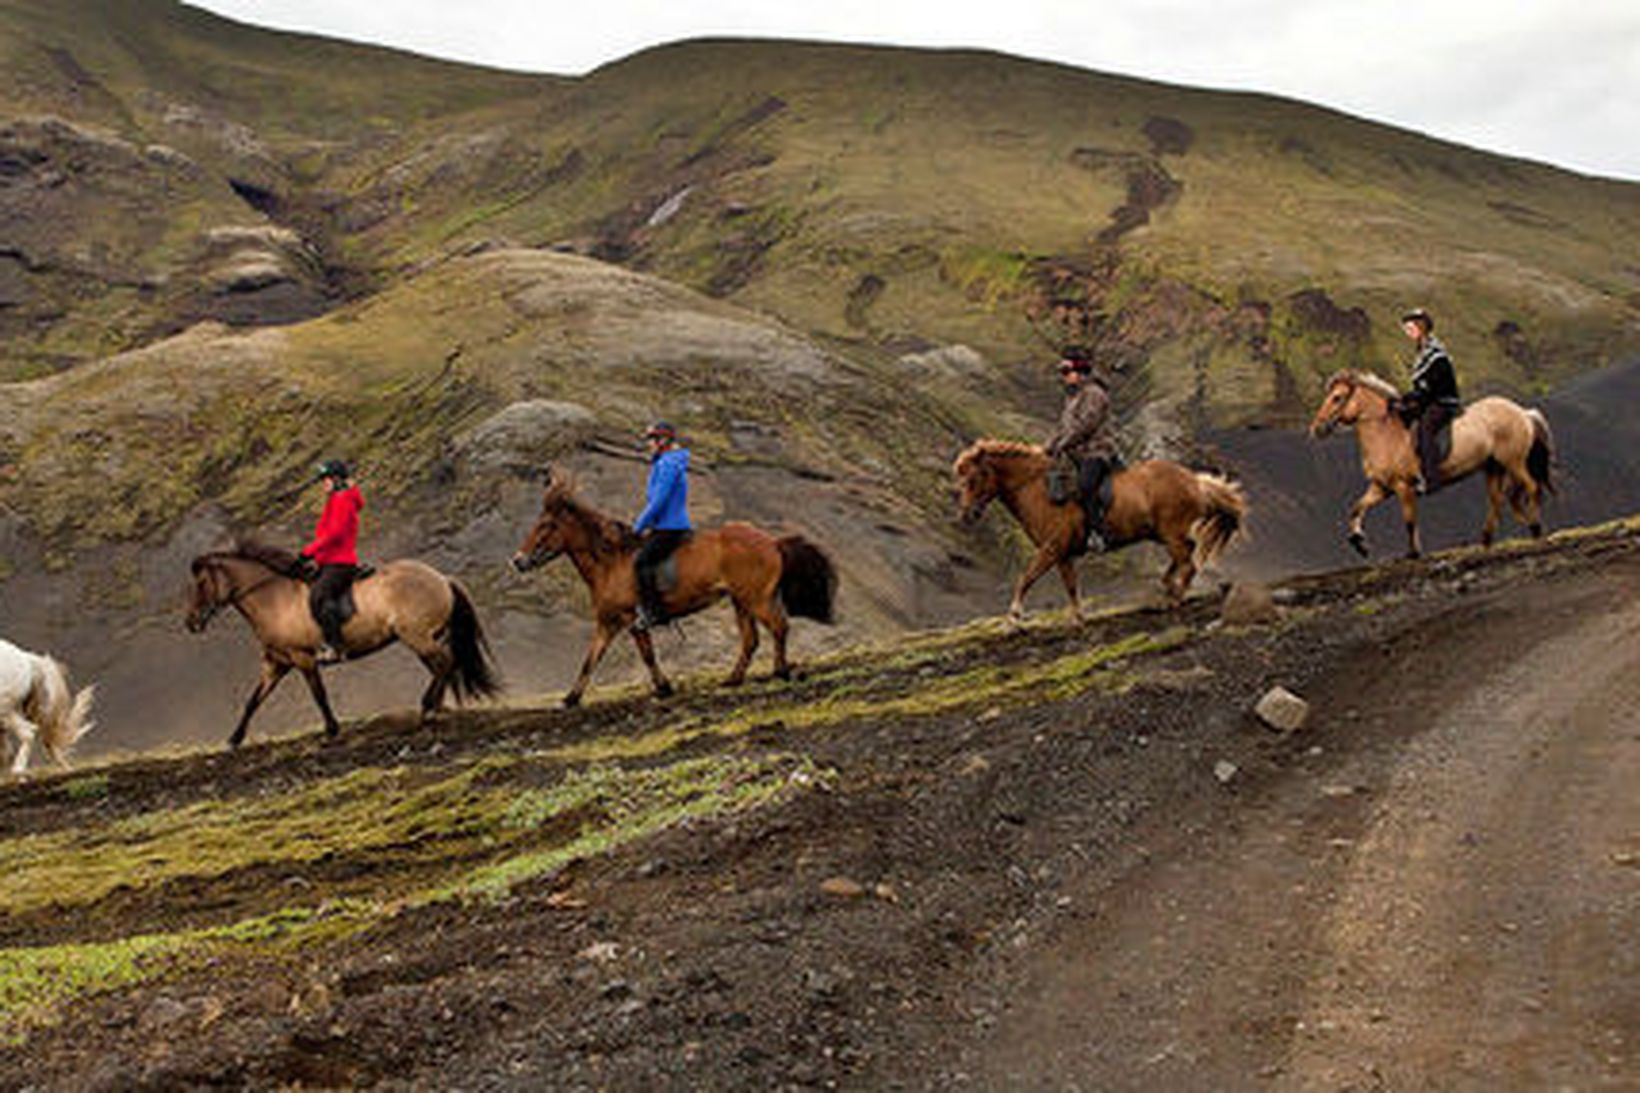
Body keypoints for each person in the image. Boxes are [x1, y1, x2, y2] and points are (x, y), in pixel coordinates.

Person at [1044, 347, 1120, 553]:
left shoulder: (1094, 394)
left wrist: (1063, 444)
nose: (1064, 377)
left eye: (1067, 372)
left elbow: (1087, 425)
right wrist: (1048, 446)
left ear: (1080, 372)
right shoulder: (1072, 398)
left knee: (1085, 486)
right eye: (1063, 373)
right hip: (1075, 452)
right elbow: (1062, 427)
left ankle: (1100, 534)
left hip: (1096, 451)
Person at [298, 459, 363, 663]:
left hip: (340, 562)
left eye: (326, 479)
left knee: (317, 596)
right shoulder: (337, 498)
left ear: (337, 480)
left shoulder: (342, 499)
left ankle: (335, 646)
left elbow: (334, 534)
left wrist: (309, 551)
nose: (323, 484)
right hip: (330, 560)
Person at [631, 422, 692, 632]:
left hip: (670, 527)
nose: (648, 445)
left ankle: (654, 612)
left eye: (651, 440)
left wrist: (638, 526)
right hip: (666, 524)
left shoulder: (667, 464)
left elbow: (659, 501)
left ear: (663, 441)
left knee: (641, 563)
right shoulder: (668, 462)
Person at [1398, 307, 1460, 494]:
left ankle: (1433, 479)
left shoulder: (1436, 355)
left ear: (1421, 328)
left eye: (1410, 329)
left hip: (1443, 401)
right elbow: (1422, 388)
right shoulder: (1422, 352)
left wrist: (1416, 397)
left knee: (1425, 428)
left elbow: (1434, 387)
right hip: (1428, 399)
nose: (1408, 333)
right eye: (1406, 330)